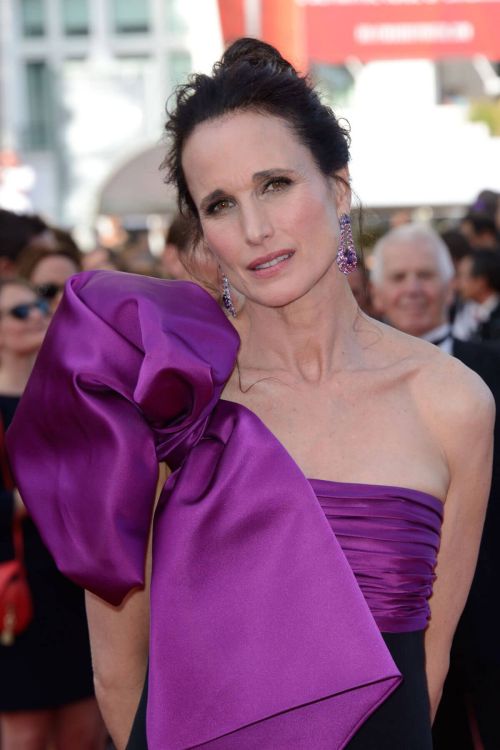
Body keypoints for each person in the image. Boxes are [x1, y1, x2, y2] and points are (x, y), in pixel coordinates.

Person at [6, 40, 494, 750]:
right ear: (203, 230)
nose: (257, 228)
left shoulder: (452, 402)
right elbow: (119, 674)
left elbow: (433, 658)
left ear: (337, 188)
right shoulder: (165, 400)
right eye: (222, 203)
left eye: (275, 184)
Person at [370, 223, 500, 750]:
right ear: (376, 293)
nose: (413, 288)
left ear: (451, 286)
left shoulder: (495, 369)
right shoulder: (346, 390)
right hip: (395, 624)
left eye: (426, 275)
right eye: (399, 277)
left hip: (492, 609)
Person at [0, 279, 105, 750]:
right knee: (25, 732)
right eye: (20, 312)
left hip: (78, 586)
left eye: (40, 304)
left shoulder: (70, 395)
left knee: (86, 726)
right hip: (14, 594)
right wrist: (30, 498)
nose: (38, 315)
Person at [455, 249, 500, 342]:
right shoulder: (456, 309)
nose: (457, 284)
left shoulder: (496, 320)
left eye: (462, 276)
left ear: (480, 282)